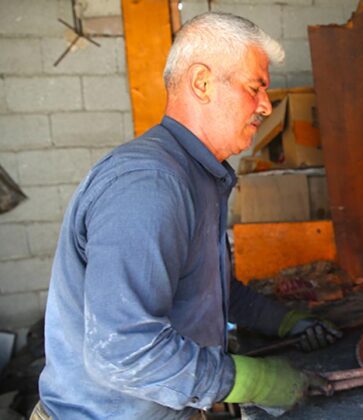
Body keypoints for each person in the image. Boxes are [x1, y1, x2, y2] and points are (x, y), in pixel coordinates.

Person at [34, 12, 340, 419]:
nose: (266, 106)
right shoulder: (151, 183)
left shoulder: (197, 175)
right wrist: (254, 381)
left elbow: (209, 290)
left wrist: (284, 322)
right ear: (202, 83)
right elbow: (124, 352)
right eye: (256, 88)